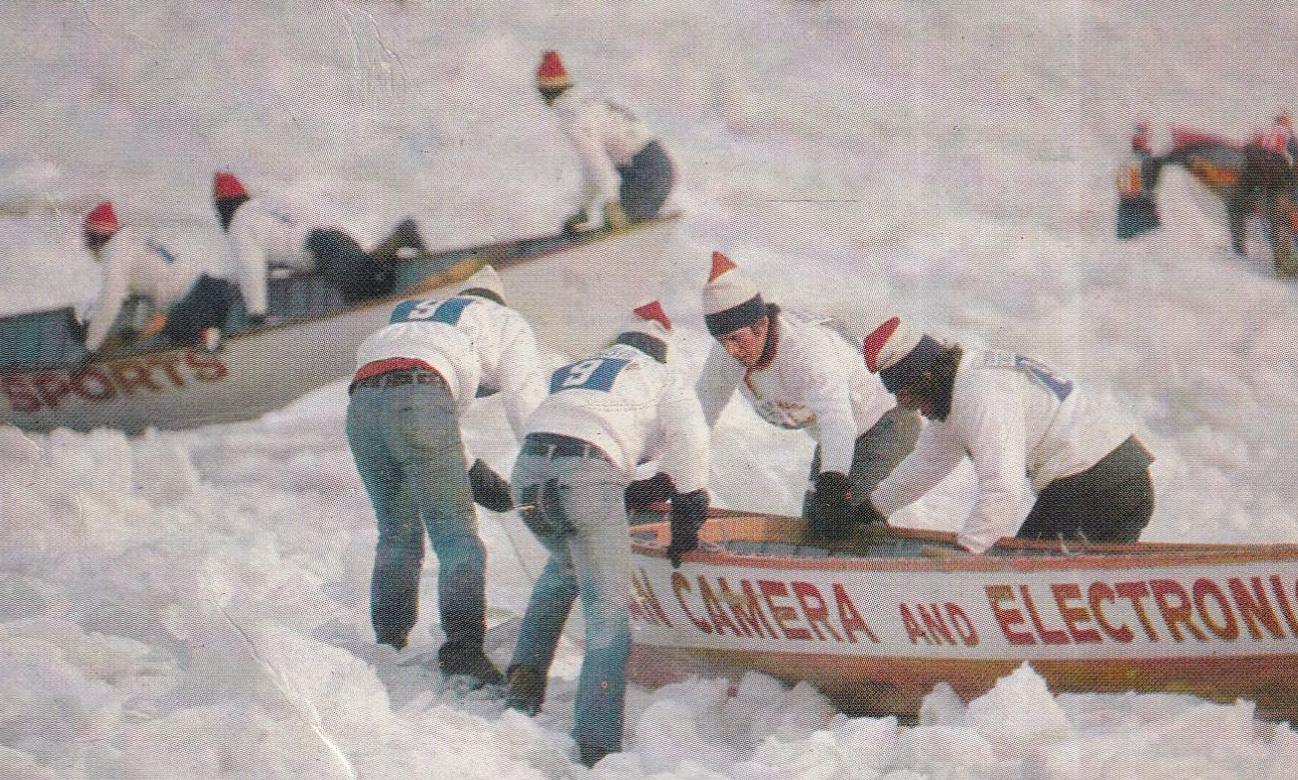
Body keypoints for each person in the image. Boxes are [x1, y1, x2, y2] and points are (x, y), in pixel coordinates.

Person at [506, 301, 710, 767]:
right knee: (607, 610)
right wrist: (690, 502)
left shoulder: (576, 370)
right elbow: (692, 437)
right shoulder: (658, 373)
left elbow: (565, 426)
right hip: (587, 475)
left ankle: (522, 688)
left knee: (565, 568)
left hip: (528, 475)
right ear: (663, 349)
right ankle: (596, 743)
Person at [346, 264, 547, 687]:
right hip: (422, 397)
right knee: (458, 538)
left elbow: (416, 400)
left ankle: (388, 646)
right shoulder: (504, 321)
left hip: (362, 405)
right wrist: (546, 472)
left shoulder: (412, 314)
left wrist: (473, 472)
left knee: (397, 533)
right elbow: (524, 404)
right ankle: (463, 654)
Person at [861, 316, 1155, 553]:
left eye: (908, 396)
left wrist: (965, 557)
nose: (907, 407)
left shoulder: (979, 393)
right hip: (1126, 475)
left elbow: (1004, 490)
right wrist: (871, 509)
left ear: (926, 378)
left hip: (1094, 486)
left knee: (1026, 588)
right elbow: (927, 464)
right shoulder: (961, 381)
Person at [694, 251, 919, 542]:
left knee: (838, 529)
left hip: (885, 424)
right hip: (838, 438)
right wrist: (671, 478)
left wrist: (834, 481)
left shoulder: (804, 351)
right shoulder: (729, 351)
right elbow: (698, 416)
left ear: (761, 325)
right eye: (722, 341)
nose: (731, 352)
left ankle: (882, 578)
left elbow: (837, 419)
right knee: (815, 529)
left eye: (737, 340)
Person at [212, 170, 426, 319]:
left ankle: (399, 236)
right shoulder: (261, 207)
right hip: (332, 240)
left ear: (223, 207)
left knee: (363, 294)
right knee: (369, 280)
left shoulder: (239, 224)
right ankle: (392, 249)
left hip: (324, 251)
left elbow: (251, 268)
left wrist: (256, 313)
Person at [535, 50, 676, 235]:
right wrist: (584, 209)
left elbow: (597, 164)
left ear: (543, 91)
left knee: (620, 235)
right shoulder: (587, 103)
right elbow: (592, 166)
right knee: (618, 232)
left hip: (646, 172)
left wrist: (610, 203)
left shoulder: (572, 117)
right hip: (649, 166)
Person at [80, 201, 234, 354]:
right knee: (164, 322)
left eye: (88, 236)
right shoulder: (134, 238)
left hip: (193, 300)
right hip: (212, 284)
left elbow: (110, 301)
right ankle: (211, 333)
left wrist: (91, 345)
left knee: (173, 332)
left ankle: (210, 342)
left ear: (97, 236)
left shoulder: (114, 253)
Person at [1227, 112, 1298, 277]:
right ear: (1286, 123)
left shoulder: (1261, 130)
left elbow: (1243, 150)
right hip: (1273, 178)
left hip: (1253, 179)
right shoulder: (1288, 134)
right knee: (1278, 217)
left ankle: (1239, 250)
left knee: (1236, 206)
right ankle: (1283, 265)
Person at [1115, 121, 1164, 240]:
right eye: (1139, 133)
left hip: (1141, 208)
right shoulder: (1132, 159)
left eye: (1144, 134)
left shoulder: (1146, 159)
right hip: (1133, 209)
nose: (1142, 138)